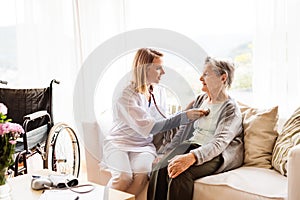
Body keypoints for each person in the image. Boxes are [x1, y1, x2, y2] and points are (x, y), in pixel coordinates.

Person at [102, 48, 207, 197]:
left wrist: (188, 109)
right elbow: (150, 127)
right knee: (123, 178)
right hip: (119, 144)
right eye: (158, 68)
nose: (163, 72)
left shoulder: (158, 91)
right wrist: (184, 116)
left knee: (142, 176)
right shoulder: (125, 95)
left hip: (144, 146)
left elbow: (165, 120)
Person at [147, 56, 244, 200]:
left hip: (216, 154)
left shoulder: (230, 109)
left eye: (206, 74)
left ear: (223, 78)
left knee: (178, 174)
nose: (200, 78)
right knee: (159, 168)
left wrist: (192, 157)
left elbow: (219, 143)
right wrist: (166, 153)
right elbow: (182, 132)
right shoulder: (200, 100)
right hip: (192, 146)